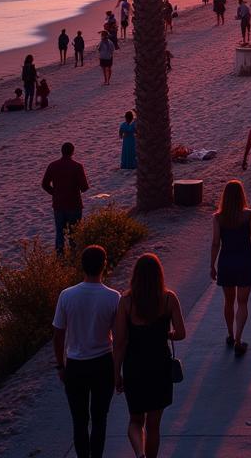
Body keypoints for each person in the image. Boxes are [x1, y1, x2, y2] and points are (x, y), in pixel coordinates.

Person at [113, 254, 186, 458]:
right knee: (154, 426)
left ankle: (139, 454)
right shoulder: (169, 298)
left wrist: (116, 373)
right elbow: (181, 333)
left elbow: (119, 342)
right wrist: (166, 333)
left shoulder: (126, 302)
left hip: (134, 367)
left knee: (135, 421)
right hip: (159, 366)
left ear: (136, 276)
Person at [53, 245, 120, 458]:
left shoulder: (67, 295)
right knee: (100, 419)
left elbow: (58, 334)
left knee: (79, 421)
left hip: (75, 364)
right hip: (103, 363)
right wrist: (118, 371)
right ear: (104, 265)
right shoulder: (113, 297)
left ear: (82, 266)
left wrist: (60, 365)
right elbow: (119, 338)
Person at [210, 180, 251, 356]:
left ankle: (229, 333)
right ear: (242, 195)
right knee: (242, 302)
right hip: (245, 261)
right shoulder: (249, 215)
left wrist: (212, 265)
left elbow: (215, 243)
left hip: (226, 262)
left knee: (228, 301)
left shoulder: (218, 217)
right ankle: (238, 339)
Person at [43, 142, 89, 253]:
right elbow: (84, 188)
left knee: (60, 232)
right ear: (73, 152)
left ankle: (60, 258)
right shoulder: (77, 166)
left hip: (58, 204)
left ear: (61, 151)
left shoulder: (52, 165)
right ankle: (74, 256)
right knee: (74, 233)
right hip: (74, 204)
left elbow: (44, 184)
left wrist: (54, 193)